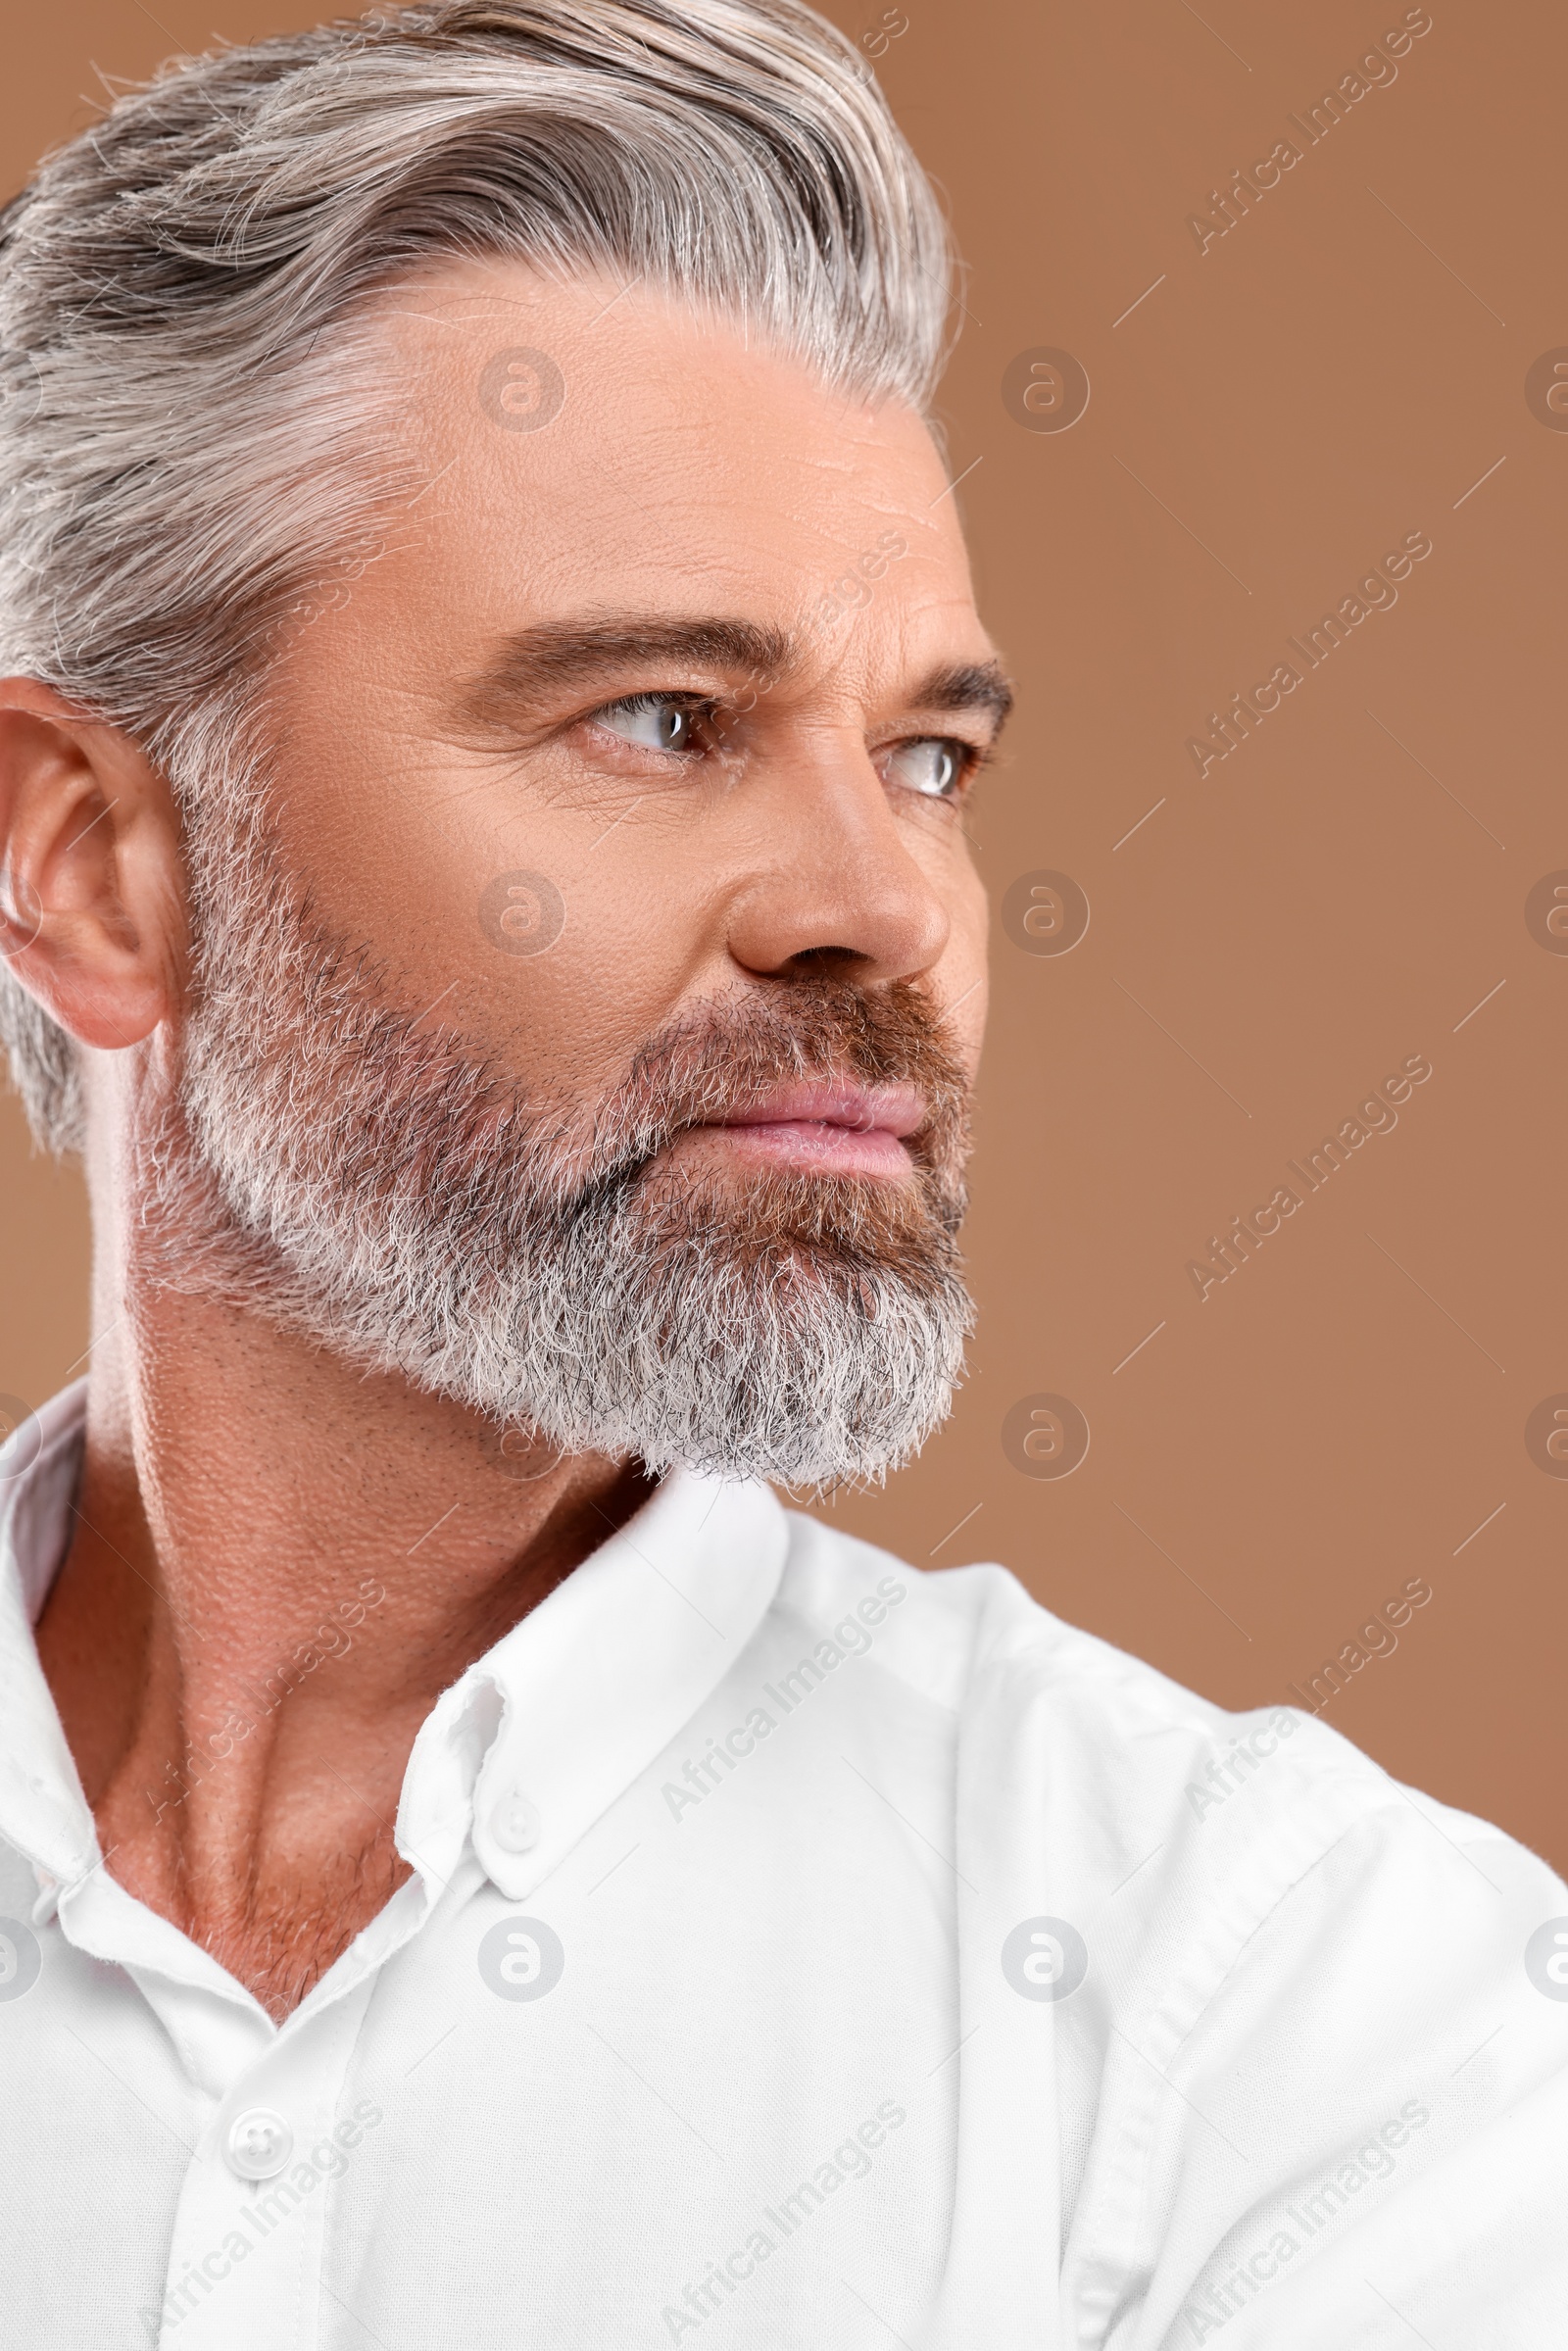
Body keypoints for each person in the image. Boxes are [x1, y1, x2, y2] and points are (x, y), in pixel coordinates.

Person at [0, 3, 1561, 2343]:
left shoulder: (1292, 2023)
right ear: (96, 875)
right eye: (662, 720)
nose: (888, 905)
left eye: (925, 756)